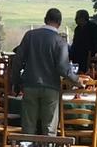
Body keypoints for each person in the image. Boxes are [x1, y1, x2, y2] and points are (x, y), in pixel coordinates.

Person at [12, 8, 78, 136]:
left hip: (30, 84)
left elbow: (17, 60)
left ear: (45, 19)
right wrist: (76, 80)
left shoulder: (29, 35)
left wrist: (16, 81)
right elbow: (63, 68)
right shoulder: (60, 41)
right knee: (49, 129)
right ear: (59, 23)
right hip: (51, 87)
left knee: (28, 128)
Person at [68, 10, 97, 74]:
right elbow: (75, 42)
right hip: (78, 55)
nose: (75, 20)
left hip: (90, 54)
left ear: (83, 18)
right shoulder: (77, 29)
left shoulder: (93, 27)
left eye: (77, 18)